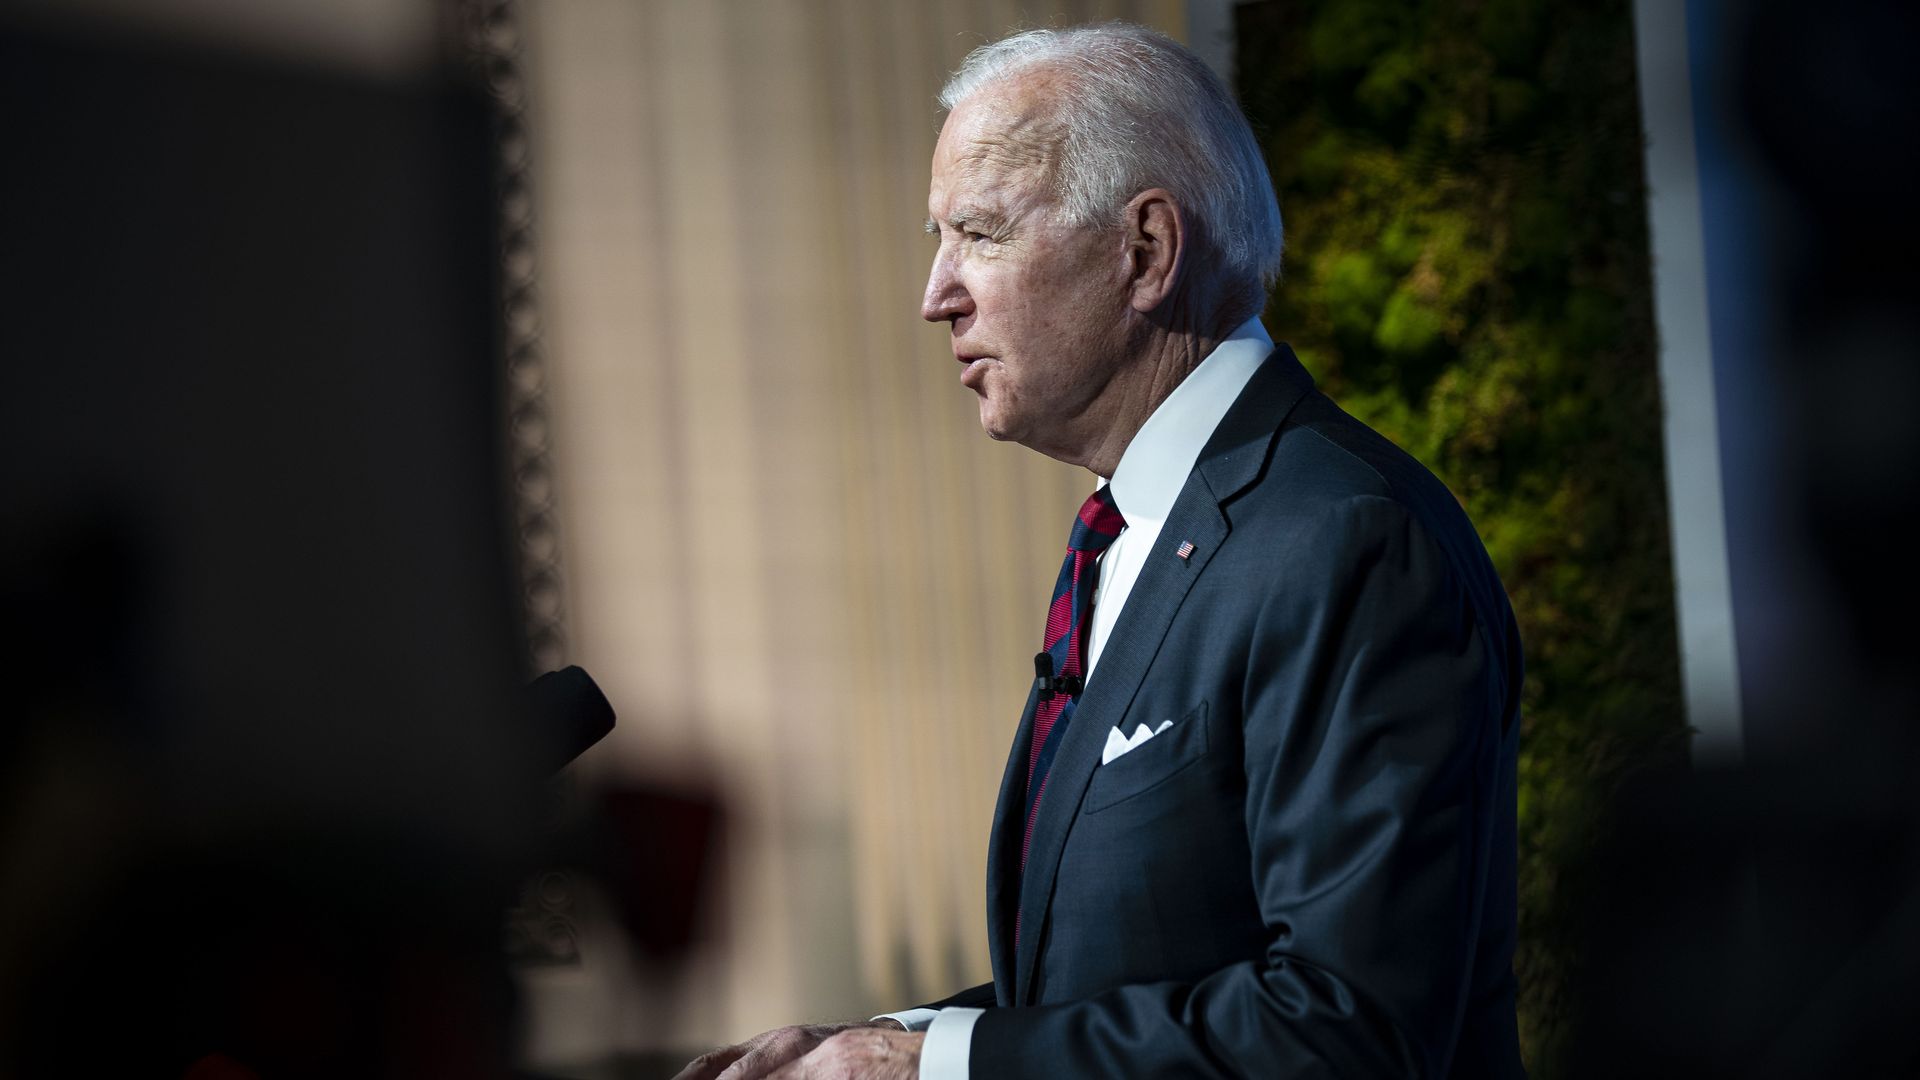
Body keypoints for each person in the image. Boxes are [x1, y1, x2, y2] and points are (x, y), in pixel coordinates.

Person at [677, 23, 1524, 1080]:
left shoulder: (1344, 540)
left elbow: (1345, 1029)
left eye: (980, 235)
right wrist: (879, 1047)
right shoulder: (1131, 534)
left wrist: (924, 1073)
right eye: (938, 239)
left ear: (1146, 253)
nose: (935, 293)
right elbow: (1114, 977)